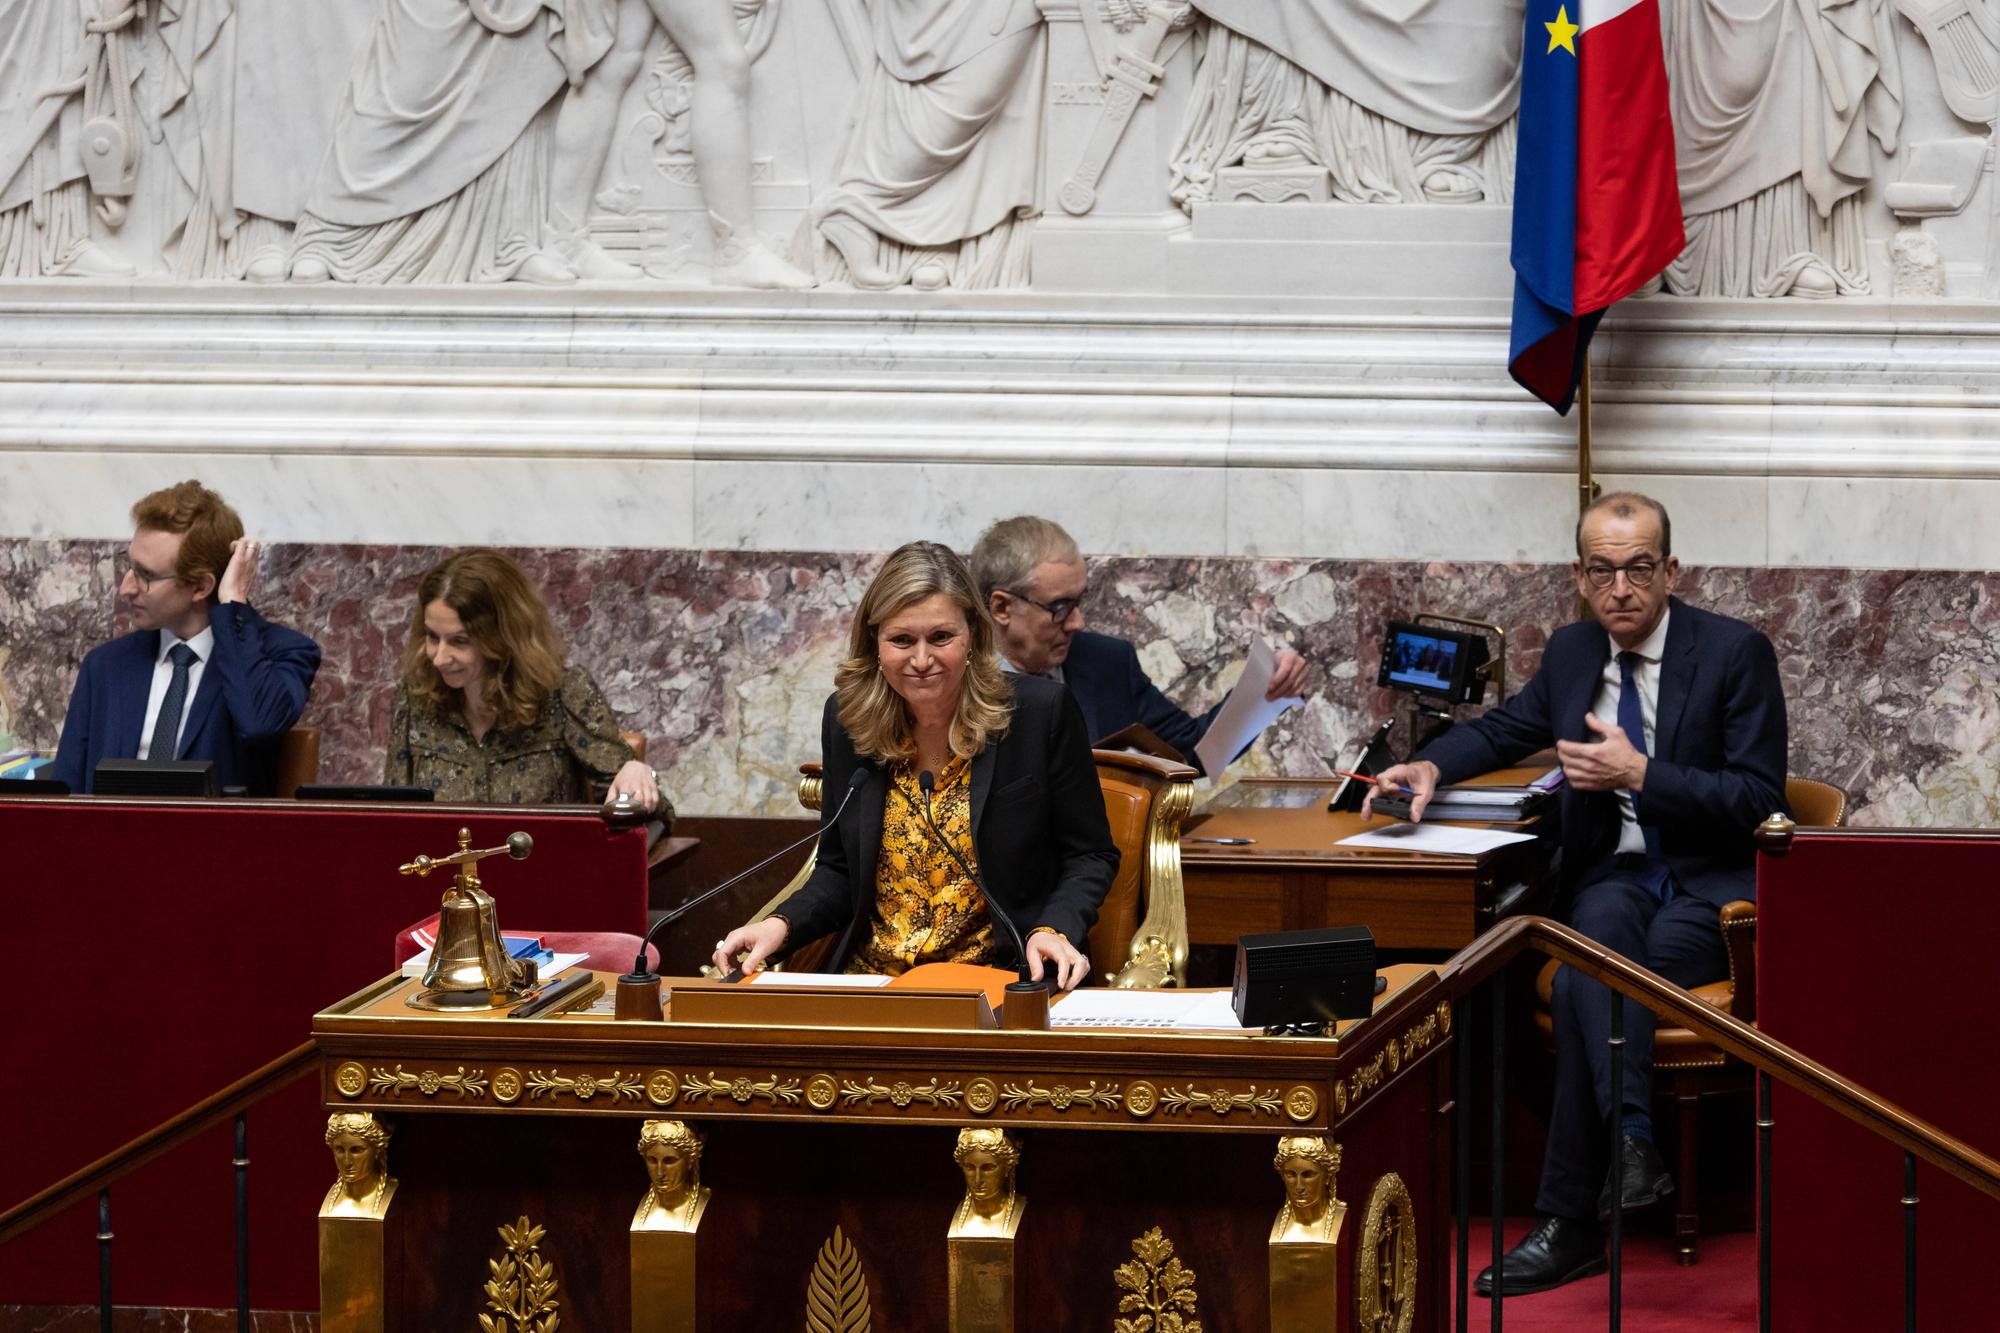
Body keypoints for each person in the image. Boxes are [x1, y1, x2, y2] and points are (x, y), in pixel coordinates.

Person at [1366, 492, 1788, 1297]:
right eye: (1602, 570)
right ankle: (1631, 1146)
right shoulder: (1571, 651)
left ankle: (1570, 1220)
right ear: (1579, 575)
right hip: (1619, 877)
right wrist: (1432, 766)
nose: (1620, 588)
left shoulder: (1735, 652)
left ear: (1671, 570)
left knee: (1595, 979)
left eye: (1638, 568)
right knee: (1593, 941)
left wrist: (1643, 775)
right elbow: (1505, 728)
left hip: (1707, 886)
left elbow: (1760, 798)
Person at [712, 541, 1117, 990]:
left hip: (998, 980)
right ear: (876, 645)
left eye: (940, 637)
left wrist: (1052, 929)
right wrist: (780, 925)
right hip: (871, 985)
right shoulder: (849, 719)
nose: (921, 660)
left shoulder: (1039, 714)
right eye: (902, 640)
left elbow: (1090, 855)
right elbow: (840, 870)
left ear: (972, 638)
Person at [969, 516, 1308, 774]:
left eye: (1079, 602)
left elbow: (1192, 753)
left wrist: (1266, 689)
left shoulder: (1105, 663)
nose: (1077, 622)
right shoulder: (955, 682)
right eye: (1059, 608)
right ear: (1002, 608)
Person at [51, 482, 322, 795]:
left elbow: (259, 723)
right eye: (130, 566)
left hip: (218, 841)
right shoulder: (106, 666)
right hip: (113, 839)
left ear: (200, 587)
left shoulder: (281, 653)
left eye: (146, 576)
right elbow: (66, 794)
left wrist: (232, 601)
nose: (126, 588)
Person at [384, 548, 671, 816]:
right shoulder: (415, 696)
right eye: (433, 637)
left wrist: (637, 773)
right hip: (444, 868)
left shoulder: (564, 693)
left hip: (541, 867)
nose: (439, 658)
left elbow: (654, 814)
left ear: (504, 637)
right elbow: (390, 815)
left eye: (459, 641)